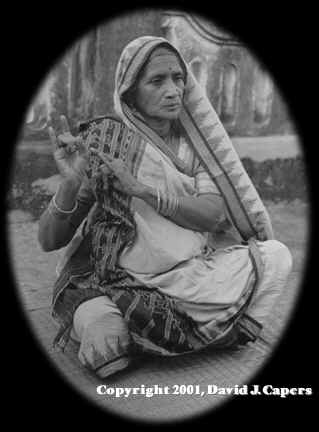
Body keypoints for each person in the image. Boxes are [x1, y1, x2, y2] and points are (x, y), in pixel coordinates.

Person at [38, 36, 292, 379]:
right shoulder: (106, 143)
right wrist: (69, 184)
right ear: (130, 92)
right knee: (103, 345)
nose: (173, 90)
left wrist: (144, 191)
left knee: (275, 256)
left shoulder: (196, 149)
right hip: (116, 280)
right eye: (157, 81)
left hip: (187, 275)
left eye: (178, 78)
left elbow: (212, 214)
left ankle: (158, 336)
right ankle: (188, 332)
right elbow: (49, 241)